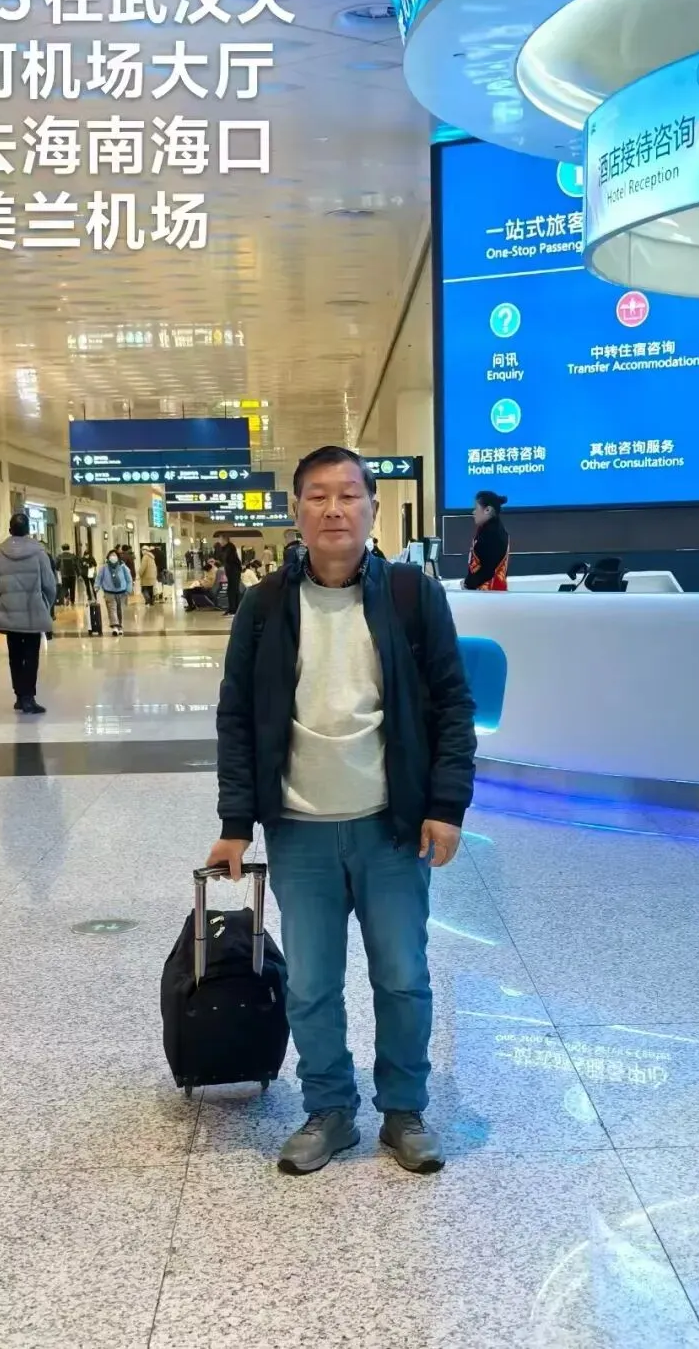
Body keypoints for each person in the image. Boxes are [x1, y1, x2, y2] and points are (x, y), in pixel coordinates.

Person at [207, 445, 476, 1177]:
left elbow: (453, 704)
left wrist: (446, 805)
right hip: (300, 831)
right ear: (296, 513)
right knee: (311, 984)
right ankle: (329, 1109)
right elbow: (237, 717)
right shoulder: (265, 605)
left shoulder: (413, 596)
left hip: (392, 827)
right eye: (318, 496)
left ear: (372, 510)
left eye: (349, 495)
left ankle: (404, 1109)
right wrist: (235, 824)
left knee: (403, 976)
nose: (334, 509)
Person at [0, 512, 56, 714]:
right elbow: (50, 586)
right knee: (31, 656)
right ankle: (28, 698)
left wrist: (3, 600)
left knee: (14, 655)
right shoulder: (39, 554)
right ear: (28, 530)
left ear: (10, 530)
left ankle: (19, 696)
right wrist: (45, 605)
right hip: (33, 612)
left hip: (9, 614)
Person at [463, 490, 510, 590]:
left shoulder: (494, 534)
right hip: (485, 592)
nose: (473, 512)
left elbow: (487, 570)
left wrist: (467, 584)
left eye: (476, 508)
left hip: (490, 593)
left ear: (487, 510)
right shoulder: (486, 530)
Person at [96, 548, 133, 634]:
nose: (113, 557)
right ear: (108, 557)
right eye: (111, 555)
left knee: (120, 610)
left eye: (115, 555)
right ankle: (115, 627)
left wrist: (129, 589)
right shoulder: (104, 567)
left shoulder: (123, 567)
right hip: (109, 592)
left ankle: (119, 626)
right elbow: (99, 578)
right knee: (112, 610)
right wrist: (97, 586)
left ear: (118, 557)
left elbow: (129, 579)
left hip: (122, 593)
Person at [217, 532, 242, 616]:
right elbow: (223, 559)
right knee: (232, 589)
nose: (219, 541)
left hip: (234, 571)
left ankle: (234, 609)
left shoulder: (230, 547)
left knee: (233, 589)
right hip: (230, 571)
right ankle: (233, 608)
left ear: (225, 540)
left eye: (220, 539)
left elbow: (227, 559)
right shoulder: (224, 548)